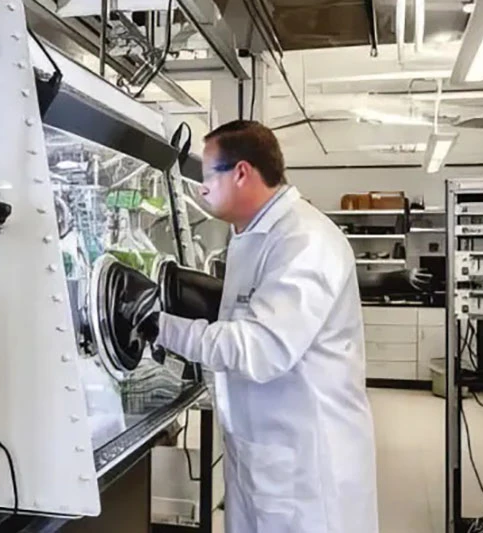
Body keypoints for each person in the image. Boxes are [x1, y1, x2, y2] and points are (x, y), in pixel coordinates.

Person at [142, 120, 378, 533]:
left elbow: (261, 349)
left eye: (207, 175)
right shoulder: (252, 235)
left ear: (241, 172)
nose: (201, 188)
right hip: (263, 452)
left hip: (306, 465)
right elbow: (258, 312)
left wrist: (157, 326)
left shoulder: (305, 240)